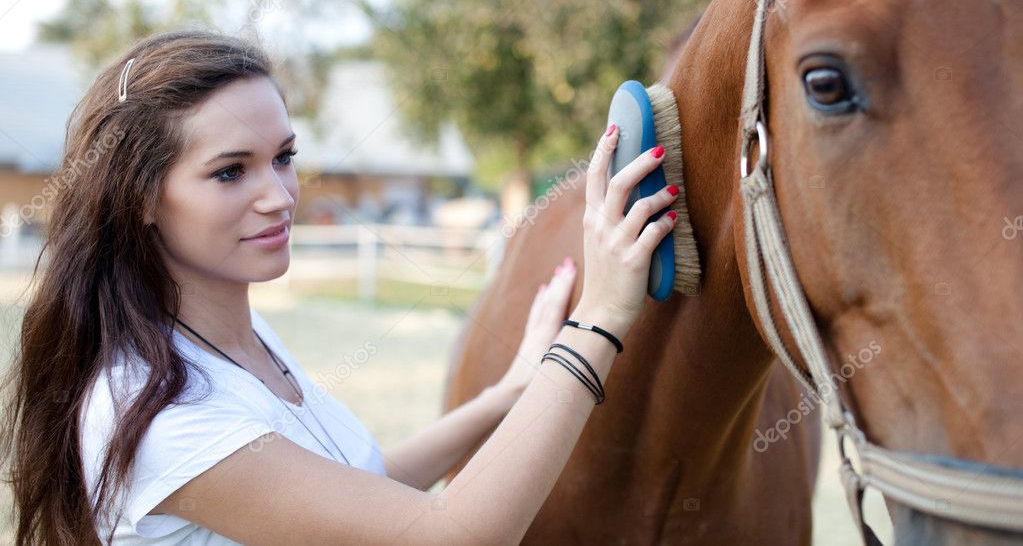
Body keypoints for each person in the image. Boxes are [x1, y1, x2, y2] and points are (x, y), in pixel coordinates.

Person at [0, 30, 680, 545]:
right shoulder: (155, 412)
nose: (280, 195)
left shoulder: (232, 338)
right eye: (231, 171)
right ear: (141, 196)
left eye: (284, 157)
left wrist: (511, 393)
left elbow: (358, 484)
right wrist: (598, 317)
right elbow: (450, 535)